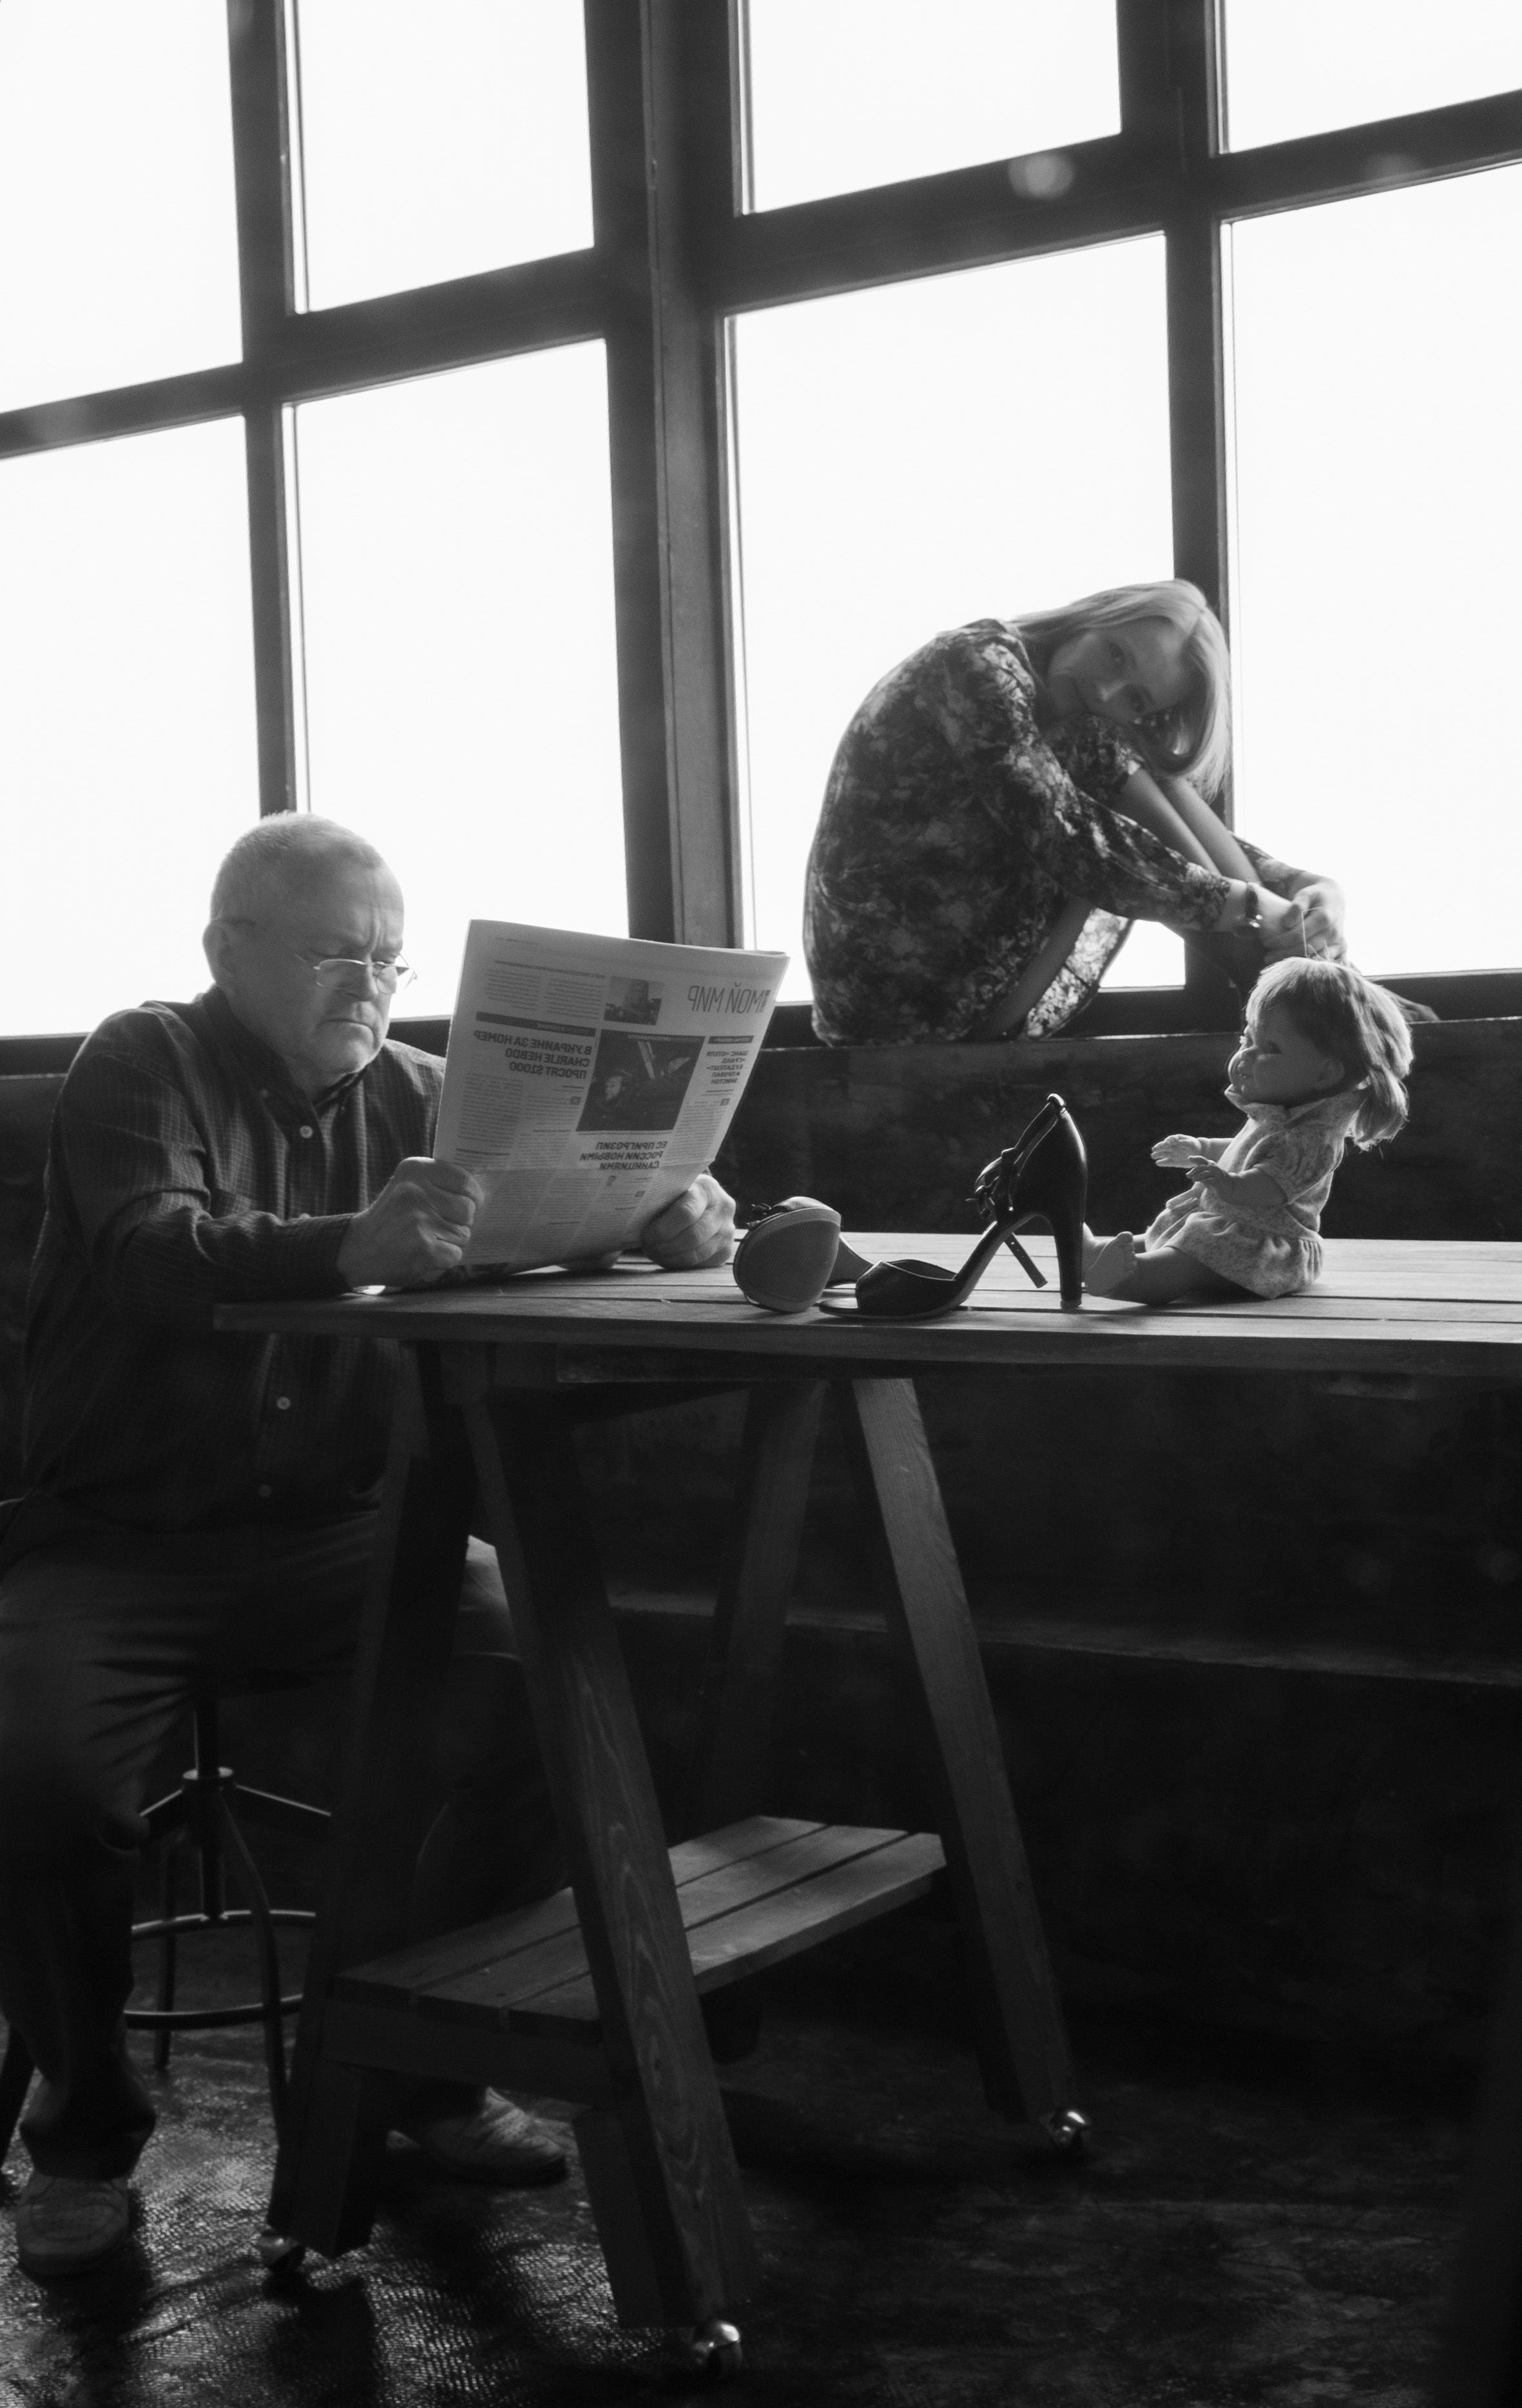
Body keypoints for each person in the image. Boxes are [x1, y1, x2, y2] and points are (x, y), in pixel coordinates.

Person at [0, 814, 737, 2279]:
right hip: (116, 1543)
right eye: (341, 951)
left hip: (351, 1537)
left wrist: (671, 1217)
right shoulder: (140, 1062)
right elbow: (156, 1251)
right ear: (230, 952)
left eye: (391, 955)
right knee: (43, 1778)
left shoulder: (424, 1095)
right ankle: (80, 2133)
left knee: (552, 1687)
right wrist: (350, 1244)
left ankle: (416, 2075)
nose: (373, 980)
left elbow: (539, 1227)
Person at [803, 582, 1347, 1045]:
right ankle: (1316, 996)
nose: (1108, 690)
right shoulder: (975, 664)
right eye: (1115, 654)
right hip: (896, 999)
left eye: (1138, 700)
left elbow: (1135, 838)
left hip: (974, 1003)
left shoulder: (1072, 734)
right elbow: (1069, 838)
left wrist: (1305, 888)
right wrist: (1252, 907)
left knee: (1116, 752)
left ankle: (1309, 984)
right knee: (1101, 747)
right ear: (1095, 617)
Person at [1081, 958, 1413, 1303]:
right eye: (1248, 1038)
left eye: (1271, 1048)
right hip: (1227, 1225)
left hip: (1264, 1245)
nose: (1246, 1055)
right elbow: (1247, 1150)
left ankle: (1135, 1279)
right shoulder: (1278, 1117)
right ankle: (1092, 1256)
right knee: (1169, 1233)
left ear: (1325, 1075)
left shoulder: (1314, 1138)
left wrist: (1228, 1183)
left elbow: (1271, 1186)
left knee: (1190, 1257)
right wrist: (1203, 1146)